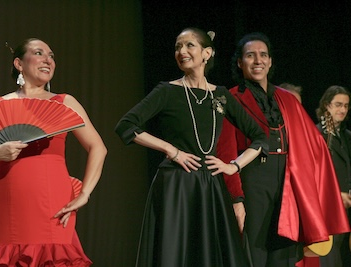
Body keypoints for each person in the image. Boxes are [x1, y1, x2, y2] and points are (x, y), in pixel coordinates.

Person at [115, 27, 269, 267]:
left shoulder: (220, 95)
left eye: (189, 45)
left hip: (211, 187)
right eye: (178, 47)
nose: (182, 51)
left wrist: (233, 166)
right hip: (176, 186)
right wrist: (171, 151)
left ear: (207, 53)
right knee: (175, 253)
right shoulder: (167, 91)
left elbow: (260, 137)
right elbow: (126, 125)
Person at [0, 38, 107, 266]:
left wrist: (84, 193)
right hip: (10, 201)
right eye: (39, 53)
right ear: (19, 64)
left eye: (51, 56)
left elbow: (98, 147)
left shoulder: (64, 103)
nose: (48, 60)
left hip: (54, 201)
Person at [216, 32, 350, 267]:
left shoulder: (287, 99)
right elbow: (226, 152)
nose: (258, 60)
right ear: (240, 62)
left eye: (263, 55)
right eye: (250, 55)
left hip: (288, 183)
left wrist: (313, 187)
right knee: (254, 254)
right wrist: (236, 199)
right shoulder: (231, 99)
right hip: (253, 182)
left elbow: (314, 144)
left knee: (286, 253)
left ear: (270, 61)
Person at [314, 85, 351, 266]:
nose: (342, 110)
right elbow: (315, 177)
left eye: (345, 106)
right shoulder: (317, 135)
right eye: (338, 105)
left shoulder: (346, 136)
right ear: (327, 106)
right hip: (328, 209)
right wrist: (337, 195)